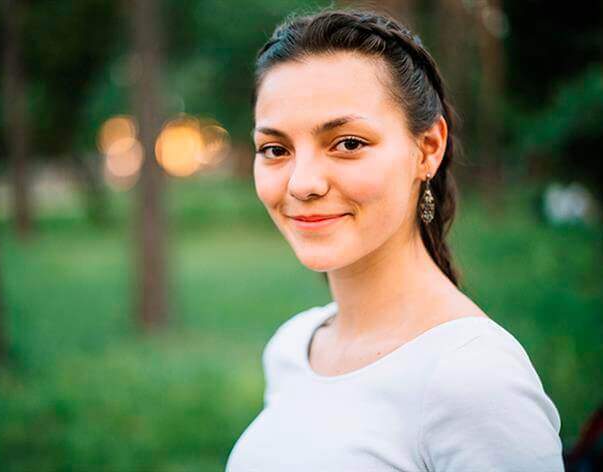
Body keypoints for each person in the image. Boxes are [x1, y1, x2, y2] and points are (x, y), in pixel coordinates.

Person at [225, 7, 564, 472]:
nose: (302, 183)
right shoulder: (294, 347)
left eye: (348, 143)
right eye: (276, 150)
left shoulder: (473, 378)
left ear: (428, 148)